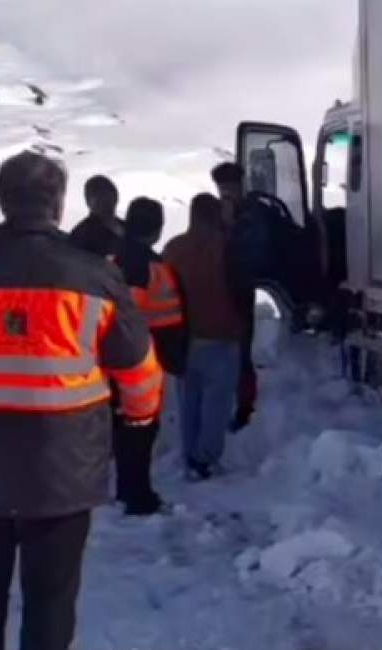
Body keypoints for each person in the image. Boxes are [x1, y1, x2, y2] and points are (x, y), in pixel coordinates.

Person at [0, 151, 163, 650]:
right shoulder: (94, 276)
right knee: (50, 608)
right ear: (58, 203)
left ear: (3, 201)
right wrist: (139, 416)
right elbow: (139, 367)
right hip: (63, 473)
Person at [109, 196, 187, 514]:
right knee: (140, 430)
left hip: (116, 358)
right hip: (140, 361)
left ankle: (128, 489)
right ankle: (137, 495)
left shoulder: (113, 261)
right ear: (156, 229)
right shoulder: (147, 267)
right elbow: (136, 316)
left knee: (125, 428)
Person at [162, 194, 246, 480]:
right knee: (216, 403)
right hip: (222, 336)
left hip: (185, 338)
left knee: (189, 402)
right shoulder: (227, 248)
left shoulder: (173, 248)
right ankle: (205, 459)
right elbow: (241, 287)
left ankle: (190, 455)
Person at [210, 162, 263, 432]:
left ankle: (244, 408)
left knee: (241, 352)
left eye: (230, 187)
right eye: (222, 188)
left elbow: (253, 251)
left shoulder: (254, 213)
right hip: (218, 291)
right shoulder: (214, 214)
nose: (226, 193)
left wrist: (232, 226)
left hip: (241, 290)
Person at [68, 174, 124, 260]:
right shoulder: (81, 234)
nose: (106, 199)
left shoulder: (129, 227)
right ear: (88, 201)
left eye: (109, 193)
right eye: (100, 194)